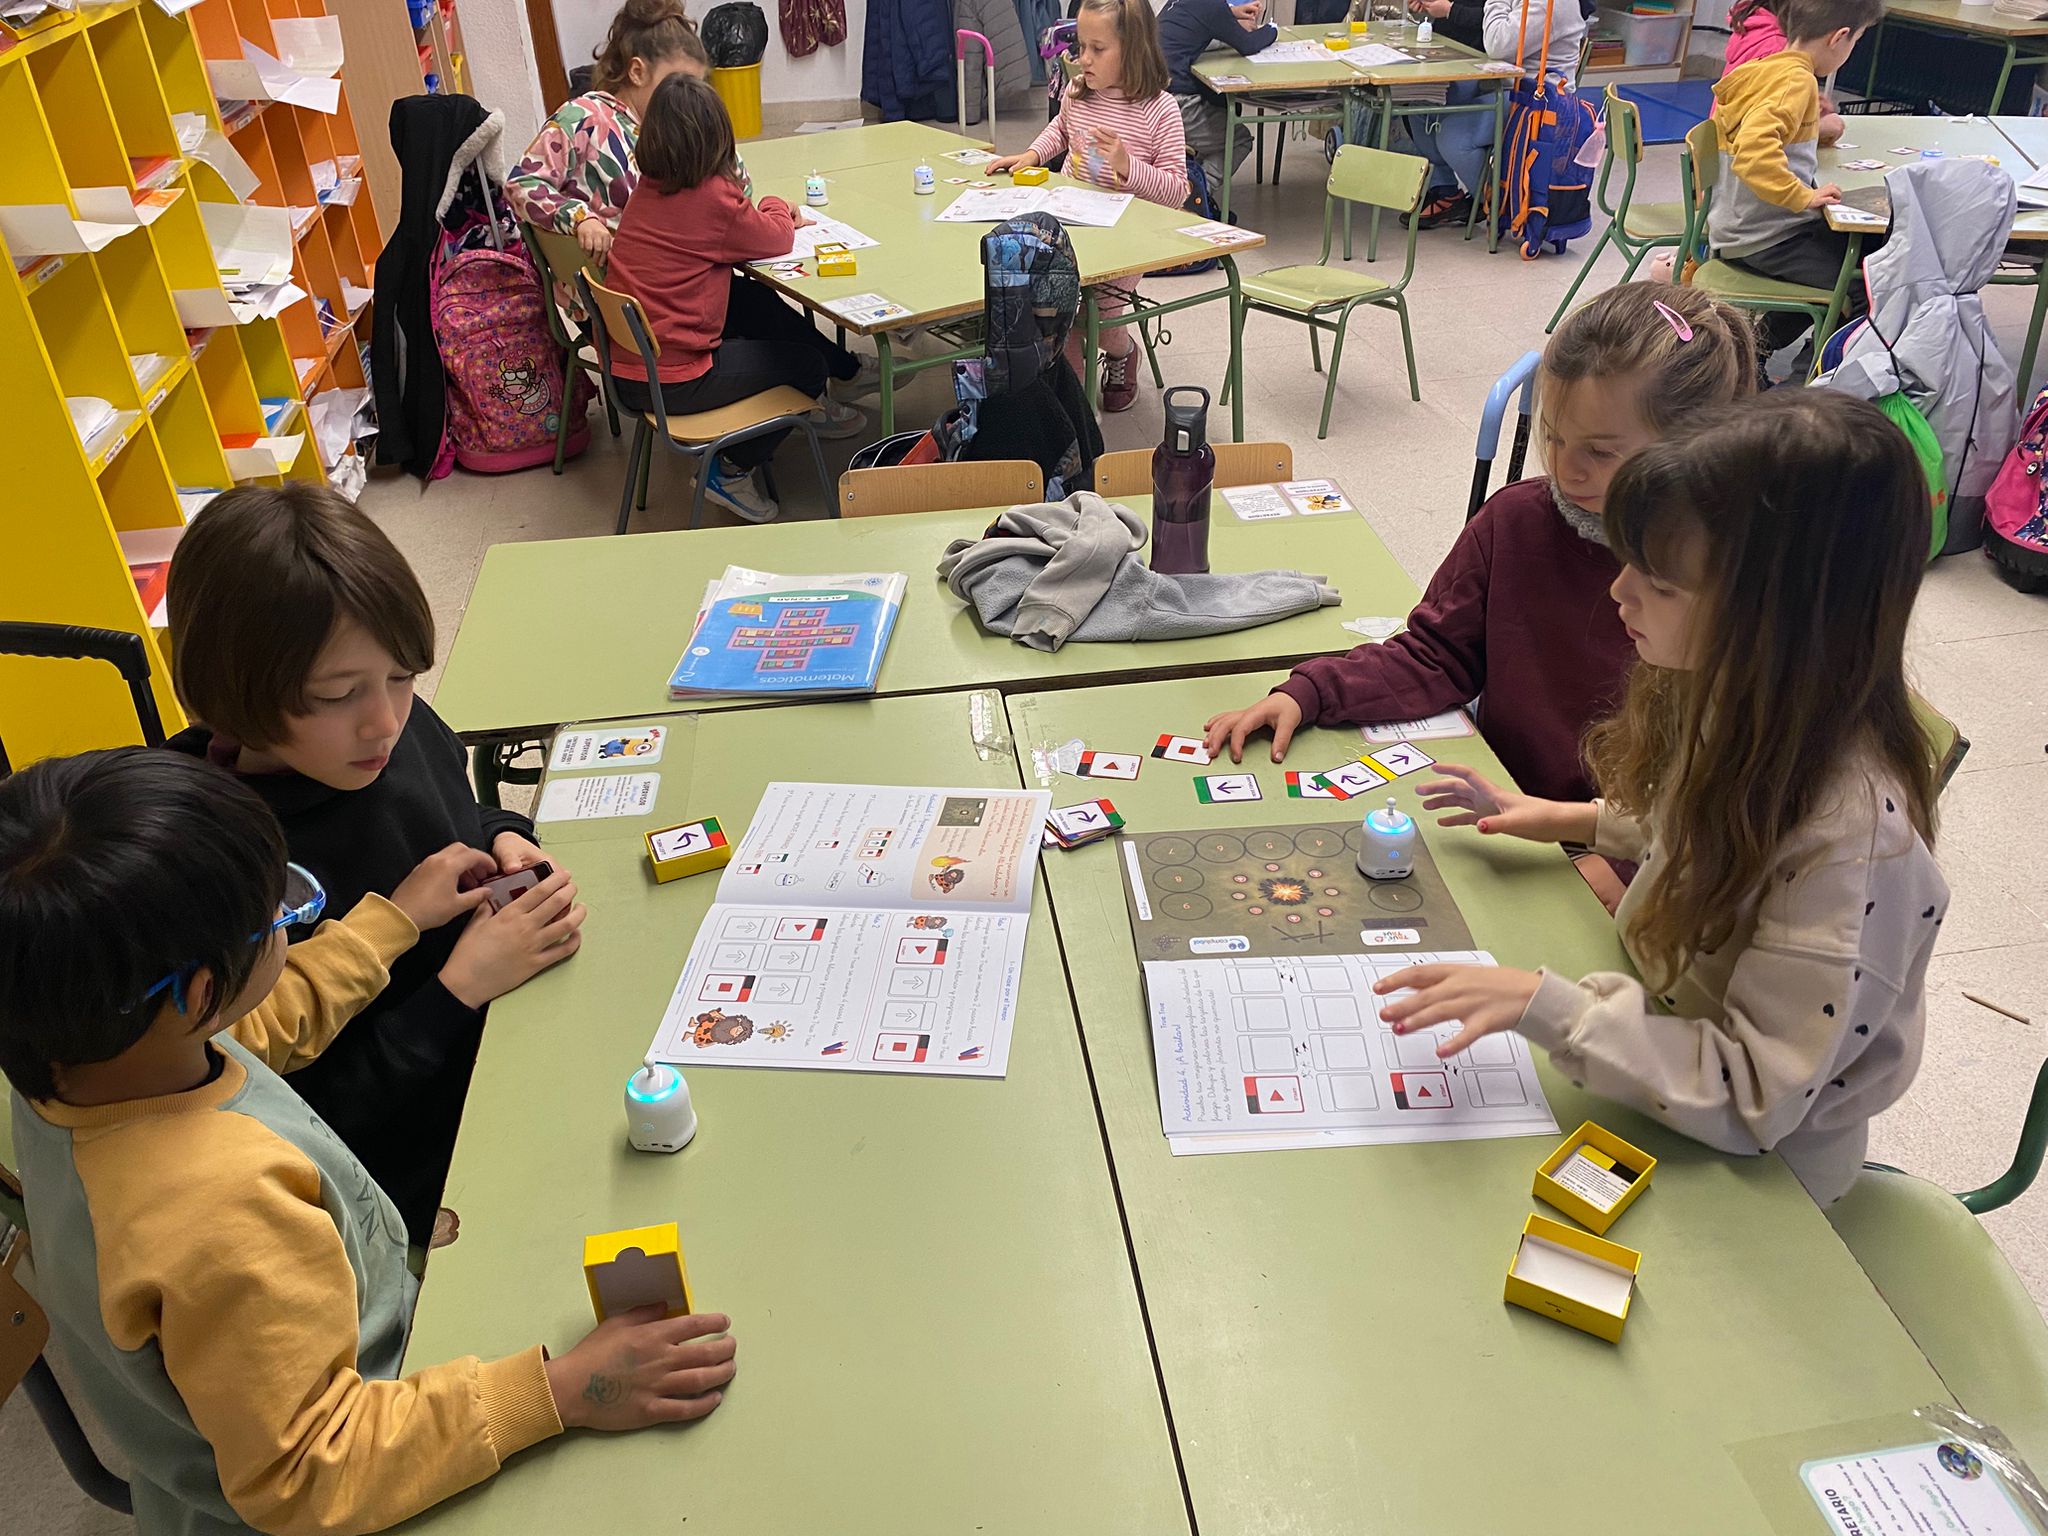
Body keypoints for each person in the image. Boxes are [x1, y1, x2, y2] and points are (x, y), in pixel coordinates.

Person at [0, 749, 737, 1536]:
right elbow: (313, 1474)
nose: (291, 925)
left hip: (277, 1406)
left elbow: (262, 1022)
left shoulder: (83, 1059)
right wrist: (566, 1389)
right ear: (204, 991)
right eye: (279, 916)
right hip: (364, 1462)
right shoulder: (215, 1215)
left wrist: (394, 921)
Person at [1374, 390, 1947, 1206]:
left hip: (1763, 1171)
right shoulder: (1745, 698)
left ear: (1777, 620)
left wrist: (1546, 1006)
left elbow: (1755, 1097)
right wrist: (1573, 820)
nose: (1618, 592)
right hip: (1657, 1049)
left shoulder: (1851, 845)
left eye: (1660, 582)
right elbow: (1710, 827)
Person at [1202, 282, 1756, 909]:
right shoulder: (1517, 521)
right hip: (1506, 815)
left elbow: (1728, 794)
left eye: (1601, 452)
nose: (1566, 468)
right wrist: (1310, 692)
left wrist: (1624, 868)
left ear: (1693, 448)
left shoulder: (1726, 582)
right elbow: (1435, 654)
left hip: (1645, 860)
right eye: (1553, 436)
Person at [165, 483, 585, 1253]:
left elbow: (454, 813)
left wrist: (504, 839)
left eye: (402, 676)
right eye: (338, 694)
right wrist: (459, 989)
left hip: (509, 1039)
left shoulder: (390, 734)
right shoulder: (221, 866)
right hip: (417, 1170)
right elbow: (304, 1122)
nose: (386, 721)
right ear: (232, 688)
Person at [607, 75, 867, 523]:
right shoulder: (712, 198)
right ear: (717, 139)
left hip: (629, 368)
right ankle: (729, 471)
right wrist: (778, 203)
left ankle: (846, 373)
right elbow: (777, 237)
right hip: (676, 382)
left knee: (749, 298)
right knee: (807, 366)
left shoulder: (648, 187)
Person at [990, 0, 1189, 412]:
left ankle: (1122, 353)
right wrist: (1032, 154)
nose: (1084, 59)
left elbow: (1176, 190)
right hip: (1073, 229)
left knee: (1096, 316)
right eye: (1081, 47)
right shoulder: (1078, 91)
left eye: (1098, 49)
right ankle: (1071, 403)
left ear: (1133, 50)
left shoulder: (1160, 109)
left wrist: (1128, 166)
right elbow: (1061, 129)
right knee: (1053, 312)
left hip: (1128, 241)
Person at [1710, 0, 1883, 359]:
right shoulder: (1795, 81)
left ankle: (1755, 353)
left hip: (1749, 227)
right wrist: (1802, 196)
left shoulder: (1774, 69)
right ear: (1839, 37)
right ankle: (1816, 374)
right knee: (1865, 289)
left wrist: (1811, 133)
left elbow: (1770, 136)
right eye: (1856, 42)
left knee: (1866, 254)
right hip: (1765, 237)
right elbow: (1753, 153)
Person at [505, 0, 714, 260]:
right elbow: (521, 184)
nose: (688, 97)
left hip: (666, 270)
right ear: (637, 72)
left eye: (696, 88)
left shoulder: (679, 128)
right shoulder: (585, 117)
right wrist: (580, 218)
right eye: (678, 84)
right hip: (620, 280)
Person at [1408, 0, 1588, 230]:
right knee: (1424, 104)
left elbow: (1498, 44)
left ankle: (1499, 204)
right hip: (1503, 83)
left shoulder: (1551, 4)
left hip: (1537, 101)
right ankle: (1446, 191)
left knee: (1453, 136)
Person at [1158, 0, 1276, 197]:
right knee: (1238, 140)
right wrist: (1273, 29)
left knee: (1219, 113)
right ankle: (1195, 195)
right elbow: (1248, 44)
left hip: (1156, 96)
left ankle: (1192, 180)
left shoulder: (1175, 3)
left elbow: (1201, 18)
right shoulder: (1212, 5)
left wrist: (1231, 13)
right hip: (1176, 105)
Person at [1724, 0, 1846, 146]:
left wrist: (1803, 102)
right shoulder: (1778, 51)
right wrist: (1818, 128)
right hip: (1734, 154)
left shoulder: (1757, 25)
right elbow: (1754, 135)